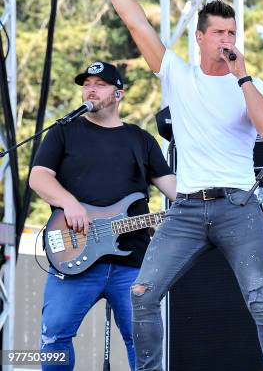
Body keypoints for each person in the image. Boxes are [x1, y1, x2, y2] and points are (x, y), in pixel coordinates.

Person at [83, 0, 263, 371]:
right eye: (218, 32)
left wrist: (244, 75)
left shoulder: (248, 84)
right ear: (200, 37)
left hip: (238, 204)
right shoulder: (179, 74)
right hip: (187, 209)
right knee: (142, 294)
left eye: (232, 32)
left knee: (260, 301)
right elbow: (135, 20)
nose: (227, 40)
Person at [29, 61, 177, 371]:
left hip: (132, 261)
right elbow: (39, 177)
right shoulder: (63, 131)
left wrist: (205, 196)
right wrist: (69, 203)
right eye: (86, 84)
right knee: (53, 336)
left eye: (99, 84)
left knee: (142, 341)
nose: (90, 89)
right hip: (73, 252)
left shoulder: (141, 140)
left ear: (118, 93)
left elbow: (174, 189)